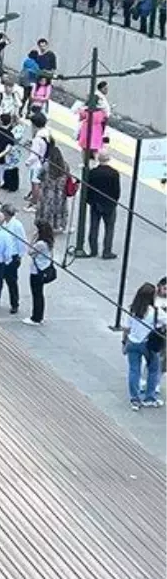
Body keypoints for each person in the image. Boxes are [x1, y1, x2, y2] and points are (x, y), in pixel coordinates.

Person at [123, 283, 164, 411]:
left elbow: (126, 328)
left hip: (132, 343)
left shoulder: (132, 309)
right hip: (147, 344)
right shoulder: (155, 312)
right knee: (153, 369)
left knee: (134, 370)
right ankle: (149, 398)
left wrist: (124, 343)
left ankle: (135, 400)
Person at [84, 150, 121, 259]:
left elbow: (88, 190)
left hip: (95, 204)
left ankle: (93, 250)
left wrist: (90, 202)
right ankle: (107, 251)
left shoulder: (93, 173)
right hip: (109, 204)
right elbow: (116, 191)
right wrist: (114, 202)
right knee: (109, 228)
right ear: (108, 159)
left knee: (94, 227)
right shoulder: (114, 173)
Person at [24, 220, 55, 326]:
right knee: (40, 294)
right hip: (44, 269)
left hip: (37, 271)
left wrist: (33, 238)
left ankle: (36, 317)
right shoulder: (49, 241)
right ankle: (39, 316)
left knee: (36, 294)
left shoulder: (40, 244)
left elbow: (29, 252)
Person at [35, 144, 69, 233]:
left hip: (47, 192)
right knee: (58, 209)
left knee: (45, 210)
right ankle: (58, 225)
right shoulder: (65, 166)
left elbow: (39, 176)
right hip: (60, 193)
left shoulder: (46, 165)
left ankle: (44, 227)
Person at [0, 203, 26, 316]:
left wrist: (20, 256)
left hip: (13, 255)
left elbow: (21, 241)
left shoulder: (17, 225)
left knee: (11, 281)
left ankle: (14, 303)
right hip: (2, 255)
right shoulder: (4, 223)